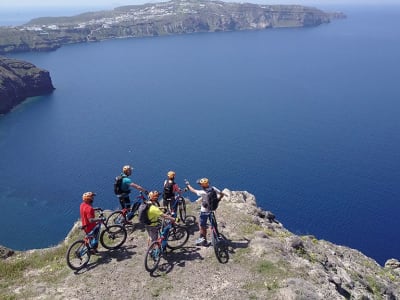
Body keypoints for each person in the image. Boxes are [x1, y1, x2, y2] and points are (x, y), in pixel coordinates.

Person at [185, 177, 225, 246]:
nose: (200, 185)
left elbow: (193, 190)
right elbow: (222, 194)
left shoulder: (202, 192)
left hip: (204, 211)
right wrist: (218, 200)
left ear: (202, 185)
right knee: (213, 223)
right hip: (212, 209)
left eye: (200, 184)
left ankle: (203, 240)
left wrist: (188, 185)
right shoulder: (213, 188)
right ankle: (217, 235)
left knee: (202, 225)